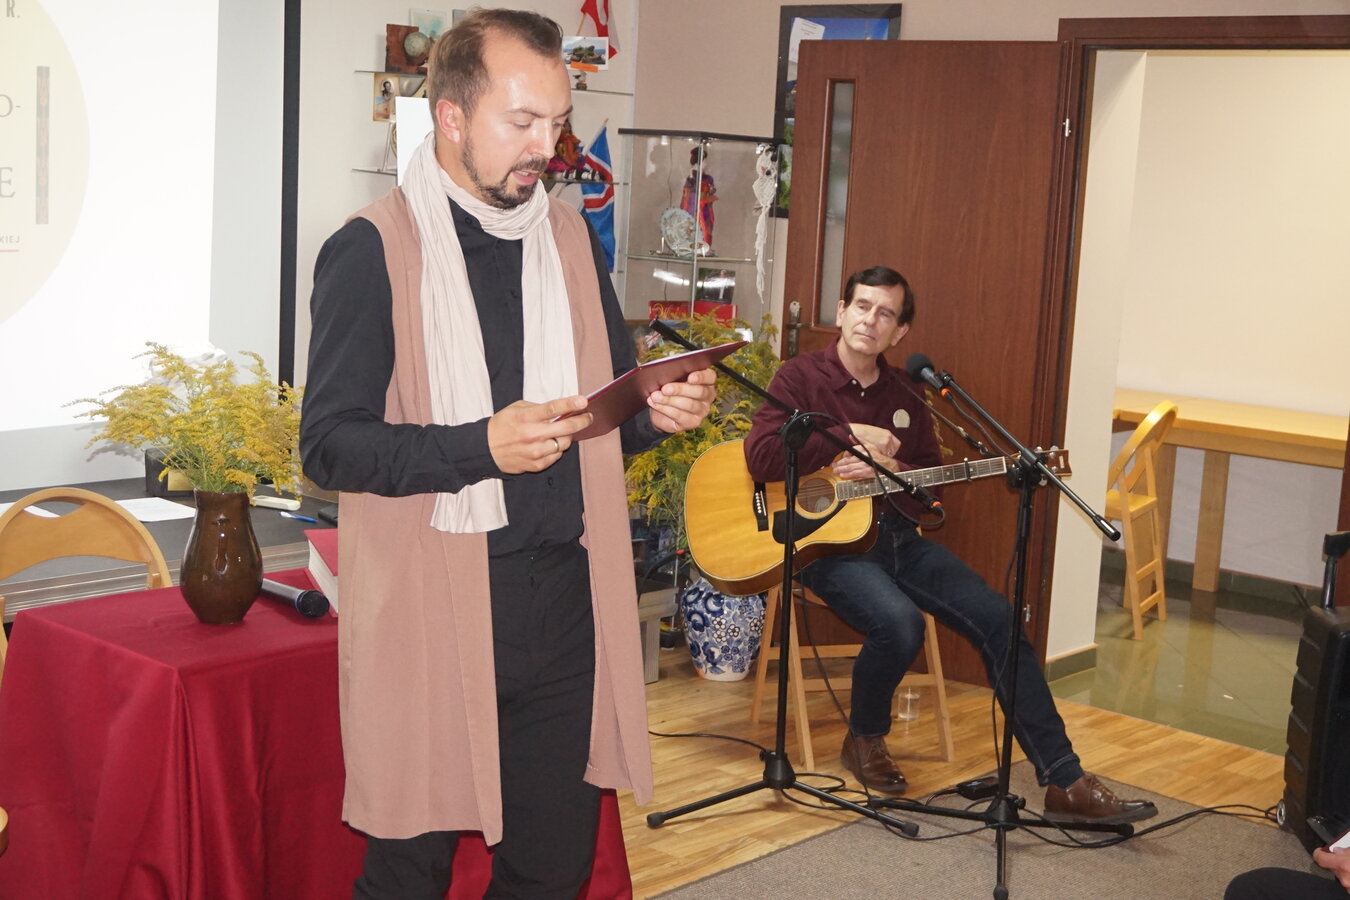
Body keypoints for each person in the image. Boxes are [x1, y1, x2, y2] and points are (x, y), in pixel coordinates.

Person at [300, 9, 716, 898]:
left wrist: (654, 412)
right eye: (522, 122)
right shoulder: (371, 249)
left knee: (551, 872)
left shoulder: (566, 238)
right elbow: (329, 447)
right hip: (431, 596)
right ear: (451, 116)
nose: (547, 147)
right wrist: (478, 446)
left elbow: (594, 423)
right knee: (408, 873)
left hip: (562, 598)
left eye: (557, 122)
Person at [742, 264, 1158, 826]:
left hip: (896, 539)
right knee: (900, 624)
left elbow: (930, 493)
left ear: (900, 332)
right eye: (862, 306)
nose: (870, 320)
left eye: (885, 314)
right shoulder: (799, 378)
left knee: (1000, 619)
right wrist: (847, 437)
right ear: (841, 312)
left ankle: (1064, 779)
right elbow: (761, 457)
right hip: (823, 544)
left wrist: (893, 471)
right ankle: (865, 738)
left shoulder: (906, 393)